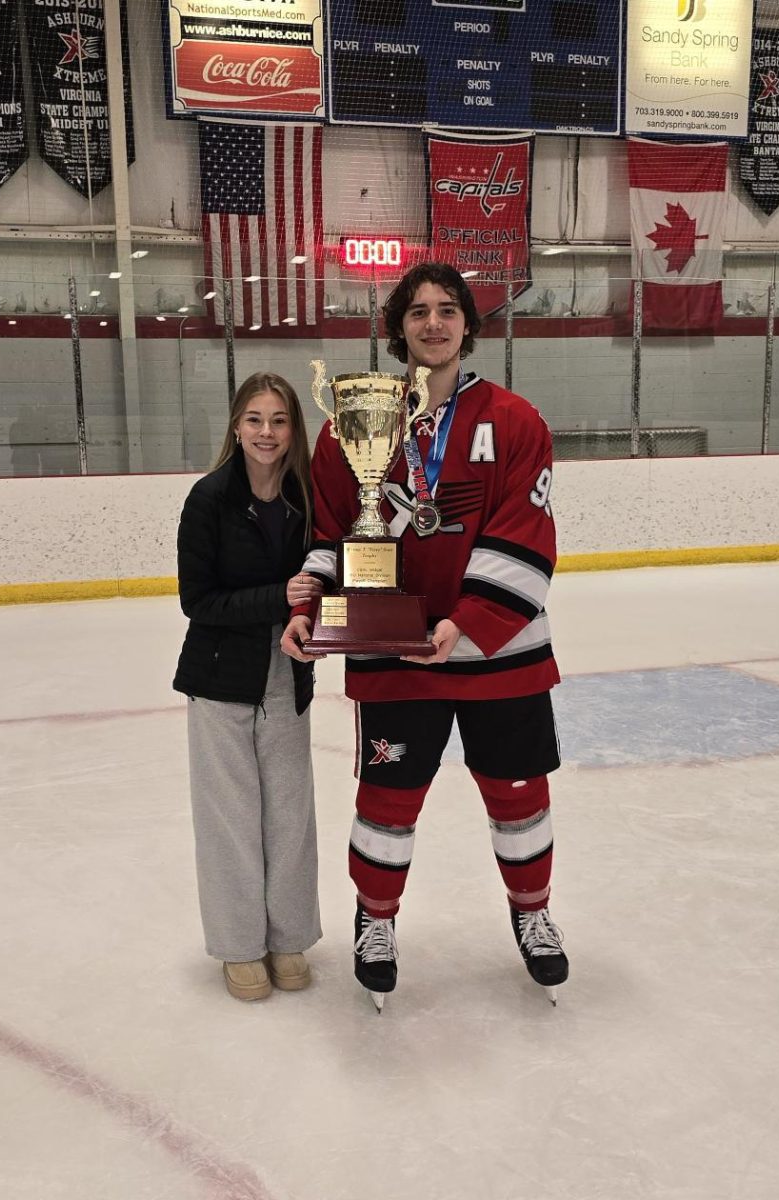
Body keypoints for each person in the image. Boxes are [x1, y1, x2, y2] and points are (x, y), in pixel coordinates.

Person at [281, 262, 568, 1008]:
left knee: (517, 795)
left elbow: (525, 530)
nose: (432, 323)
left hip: (499, 653)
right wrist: (314, 605)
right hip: (393, 650)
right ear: (397, 328)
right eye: (417, 312)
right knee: (388, 797)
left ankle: (532, 913)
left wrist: (464, 621)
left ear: (468, 324)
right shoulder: (352, 420)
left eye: (446, 310)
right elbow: (334, 530)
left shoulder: (514, 420)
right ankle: (374, 921)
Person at [174, 372, 324, 1001]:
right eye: (256, 419)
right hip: (220, 676)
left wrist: (313, 614)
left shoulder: (305, 500)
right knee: (231, 817)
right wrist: (277, 597)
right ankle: (239, 946)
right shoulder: (208, 499)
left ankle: (288, 937)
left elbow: (322, 581)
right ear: (236, 426)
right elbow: (197, 600)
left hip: (287, 670)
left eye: (280, 420)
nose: (267, 433)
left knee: (290, 812)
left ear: (294, 431)